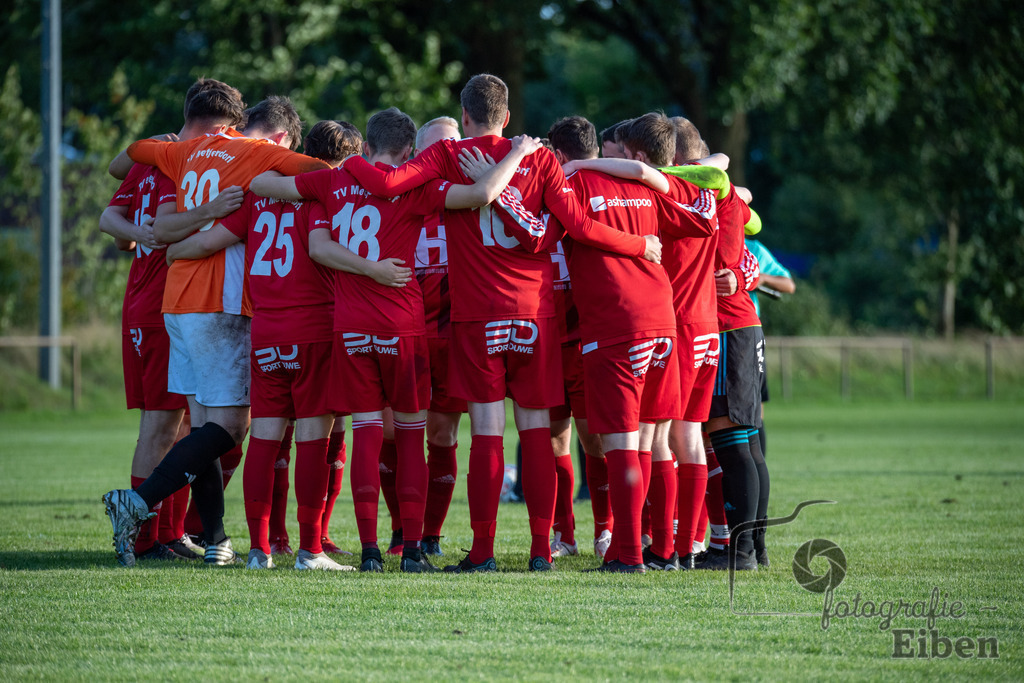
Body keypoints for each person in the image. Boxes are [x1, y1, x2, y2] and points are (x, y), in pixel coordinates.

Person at [342, 74, 661, 572]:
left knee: (487, 433)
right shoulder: (537, 158)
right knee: (536, 431)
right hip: (536, 314)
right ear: (507, 117)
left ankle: (485, 550)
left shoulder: (448, 155)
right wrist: (639, 245)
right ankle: (541, 551)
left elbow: (388, 183)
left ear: (463, 117)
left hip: (476, 315)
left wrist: (350, 161)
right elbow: (578, 227)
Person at [250, 106, 543, 572]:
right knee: (410, 438)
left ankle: (368, 551)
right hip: (402, 327)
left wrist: (328, 169)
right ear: (409, 152)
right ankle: (412, 550)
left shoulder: (332, 182)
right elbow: (485, 193)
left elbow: (262, 184)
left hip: (349, 328)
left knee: (366, 436)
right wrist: (521, 152)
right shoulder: (419, 186)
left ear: (366, 145)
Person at [102, 96, 332, 568]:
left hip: (177, 303)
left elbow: (126, 157)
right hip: (219, 305)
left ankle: (215, 539)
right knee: (230, 427)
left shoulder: (180, 151)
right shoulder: (255, 153)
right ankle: (137, 502)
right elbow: (322, 170)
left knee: (202, 425)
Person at [163, 119, 369, 571]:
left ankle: (259, 550)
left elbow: (208, 241)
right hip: (314, 327)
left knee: (266, 439)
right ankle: (310, 550)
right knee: (315, 439)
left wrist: (175, 251)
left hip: (266, 332)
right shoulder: (329, 193)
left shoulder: (261, 195)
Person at [98, 79, 246, 563]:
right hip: (166, 304)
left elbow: (111, 218)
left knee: (182, 427)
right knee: (167, 427)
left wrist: (137, 232)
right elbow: (121, 221)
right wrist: (150, 232)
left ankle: (168, 534)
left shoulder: (157, 155)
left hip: (147, 303)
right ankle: (145, 534)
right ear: (223, 127)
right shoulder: (179, 163)